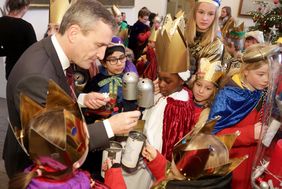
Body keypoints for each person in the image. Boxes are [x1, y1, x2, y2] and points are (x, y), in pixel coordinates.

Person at [4, 0, 140, 179]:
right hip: (37, 172)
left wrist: (82, 99)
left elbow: (55, 95)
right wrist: (110, 127)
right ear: (74, 33)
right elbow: (57, 143)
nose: (101, 56)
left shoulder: (52, 51)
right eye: (99, 45)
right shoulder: (37, 75)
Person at [8, 89, 126, 189]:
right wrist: (114, 175)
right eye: (87, 139)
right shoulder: (82, 184)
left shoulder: (29, 176)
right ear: (76, 161)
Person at [208, 44, 280, 189]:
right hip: (232, 166)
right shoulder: (229, 95)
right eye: (261, 74)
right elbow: (213, 137)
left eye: (270, 75)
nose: (267, 80)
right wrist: (248, 133)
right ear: (246, 71)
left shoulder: (263, 91)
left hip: (254, 164)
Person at [0, 0, 37, 79]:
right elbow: (34, 52)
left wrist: (9, 51)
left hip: (10, 70)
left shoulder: (1, 23)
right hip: (25, 71)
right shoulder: (27, 27)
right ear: (24, 7)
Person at [186, 0, 223, 74]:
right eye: (201, 12)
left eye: (210, 14)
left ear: (215, 17)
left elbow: (205, 80)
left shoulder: (216, 45)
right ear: (194, 13)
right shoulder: (181, 33)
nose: (205, 18)